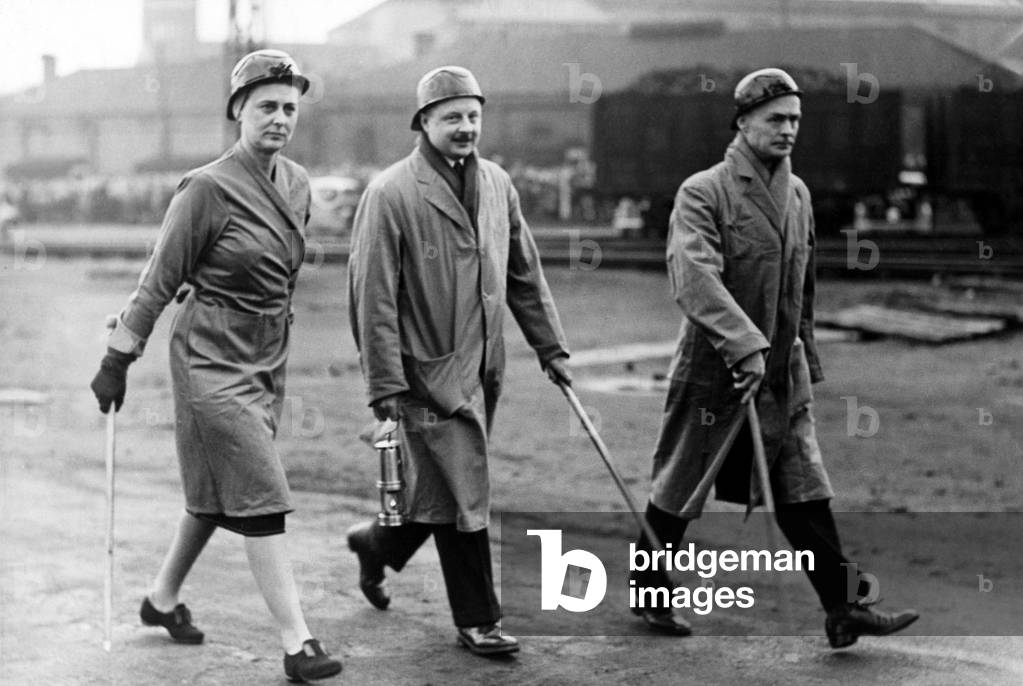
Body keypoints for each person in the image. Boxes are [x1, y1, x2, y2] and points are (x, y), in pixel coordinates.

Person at [629, 68, 919, 648]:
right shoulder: (703, 191)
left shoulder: (800, 195)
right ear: (742, 123)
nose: (788, 131)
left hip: (782, 375)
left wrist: (801, 356)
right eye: (776, 120)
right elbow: (694, 278)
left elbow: (801, 287)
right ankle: (648, 592)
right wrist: (745, 345)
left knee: (805, 488)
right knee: (680, 487)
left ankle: (844, 608)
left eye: (795, 121)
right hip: (716, 371)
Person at [88, 49, 341, 683]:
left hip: (265, 361)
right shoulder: (206, 188)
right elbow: (159, 280)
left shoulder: (299, 184)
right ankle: (297, 642)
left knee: (211, 495)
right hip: (208, 362)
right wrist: (118, 356)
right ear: (238, 111)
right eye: (266, 108)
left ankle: (161, 599)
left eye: (289, 108)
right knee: (260, 494)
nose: (280, 119)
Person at [346, 65, 571, 657]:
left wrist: (551, 347)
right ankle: (479, 620)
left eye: (473, 115)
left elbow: (524, 273)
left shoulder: (497, 183)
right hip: (425, 373)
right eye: (452, 117)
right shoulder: (390, 192)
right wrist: (385, 383)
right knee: (467, 490)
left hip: (481, 369)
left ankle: (376, 544)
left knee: (446, 490)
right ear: (423, 123)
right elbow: (371, 296)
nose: (466, 127)